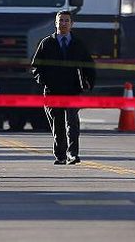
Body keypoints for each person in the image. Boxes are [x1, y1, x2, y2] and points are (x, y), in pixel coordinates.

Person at [31, 10, 95, 165]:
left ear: (72, 24)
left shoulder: (78, 44)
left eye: (67, 20)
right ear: (56, 23)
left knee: (72, 124)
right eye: (61, 20)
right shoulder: (46, 43)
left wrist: (88, 82)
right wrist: (44, 81)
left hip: (72, 90)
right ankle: (60, 155)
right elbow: (36, 67)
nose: (63, 23)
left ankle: (73, 154)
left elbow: (89, 65)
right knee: (57, 124)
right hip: (53, 91)